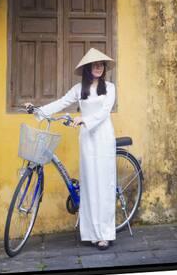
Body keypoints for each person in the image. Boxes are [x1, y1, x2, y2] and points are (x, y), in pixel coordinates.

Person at [24, 47, 116, 250]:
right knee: (90, 184)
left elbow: (103, 113)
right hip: (87, 140)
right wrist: (38, 111)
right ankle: (93, 233)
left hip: (103, 138)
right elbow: (61, 103)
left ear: (104, 67)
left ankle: (106, 234)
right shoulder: (78, 89)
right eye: (95, 64)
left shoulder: (109, 88)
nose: (98, 67)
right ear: (88, 68)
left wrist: (84, 119)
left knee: (104, 185)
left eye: (101, 64)